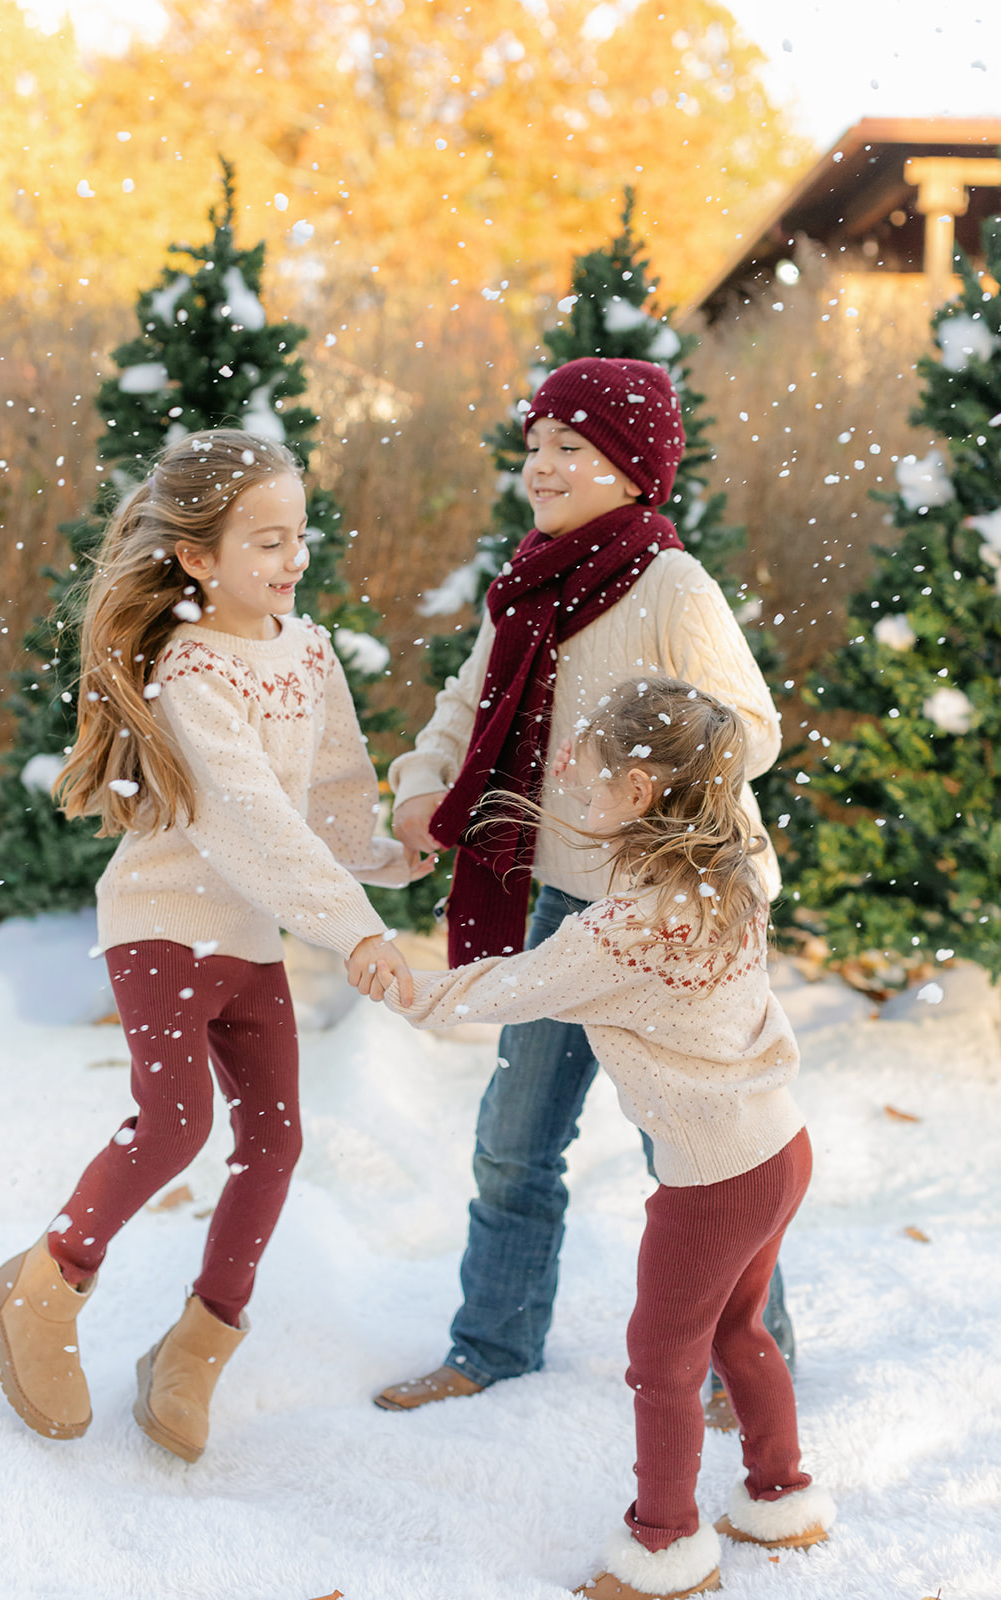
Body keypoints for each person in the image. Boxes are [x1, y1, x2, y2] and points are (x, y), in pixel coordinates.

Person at [0, 427, 431, 1461]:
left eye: (298, 536)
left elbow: (326, 797)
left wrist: (390, 856)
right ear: (195, 558)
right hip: (164, 923)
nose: (292, 560)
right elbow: (255, 827)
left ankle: (194, 1346)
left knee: (275, 1139)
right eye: (265, 542)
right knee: (177, 1122)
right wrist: (355, 933)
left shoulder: (306, 651)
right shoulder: (190, 670)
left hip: (247, 936)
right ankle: (40, 1286)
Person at [353, 679, 835, 1600]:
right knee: (736, 1326)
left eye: (592, 763)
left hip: (715, 1177)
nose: (569, 766)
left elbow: (502, 991)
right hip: (779, 1146)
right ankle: (783, 1499)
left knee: (662, 1360)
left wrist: (397, 980)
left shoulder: (626, 930)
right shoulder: (723, 869)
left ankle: (663, 1553)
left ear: (645, 791)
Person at [379, 356, 792, 1416]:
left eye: (569, 448)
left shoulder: (669, 586)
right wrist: (424, 786)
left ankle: (748, 1362)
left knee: (702, 1153)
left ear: (630, 465)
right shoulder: (525, 582)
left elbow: (749, 730)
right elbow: (464, 704)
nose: (541, 467)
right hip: (561, 902)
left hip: (664, 917)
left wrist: (654, 768)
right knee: (514, 1142)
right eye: (533, 447)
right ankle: (491, 1342)